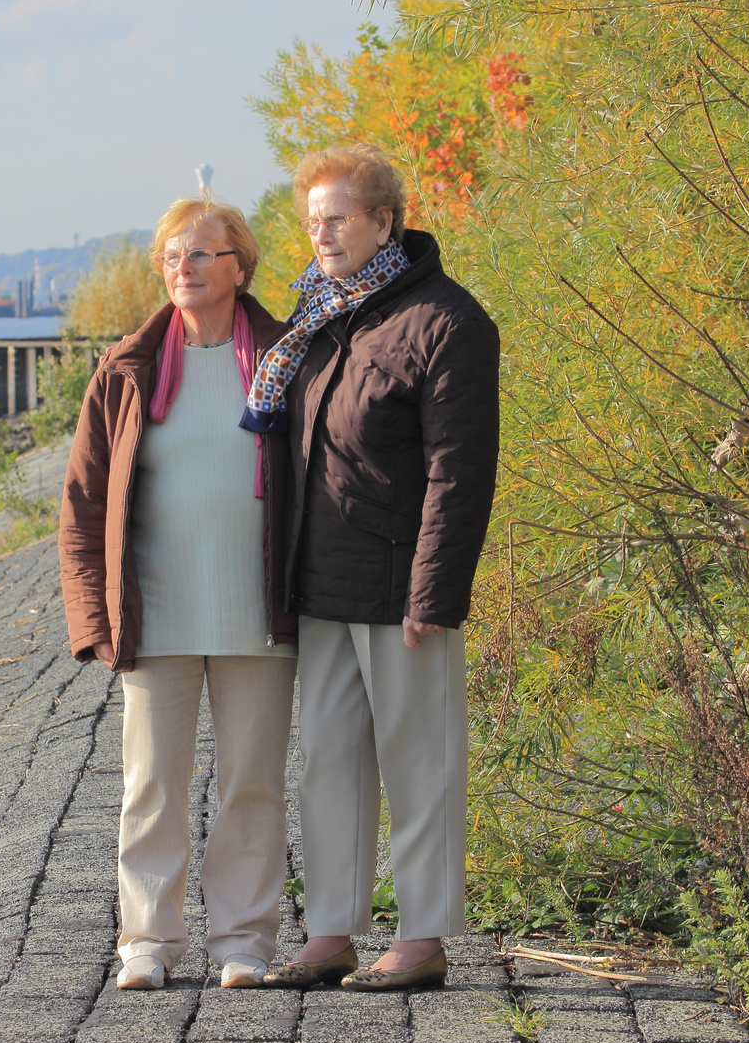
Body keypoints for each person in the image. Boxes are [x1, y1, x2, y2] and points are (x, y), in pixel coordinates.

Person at [246, 144, 500, 991]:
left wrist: (435, 594)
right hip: (322, 586)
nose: (321, 234)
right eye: (312, 219)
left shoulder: (447, 322)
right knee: (328, 764)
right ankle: (330, 934)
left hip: (402, 594)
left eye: (338, 217)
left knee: (419, 761)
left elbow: (459, 472)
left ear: (384, 220)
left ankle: (422, 939)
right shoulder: (320, 318)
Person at [59, 197, 298, 991]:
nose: (182, 269)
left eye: (199, 254)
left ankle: (242, 941)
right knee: (152, 782)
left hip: (258, 610)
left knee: (253, 783)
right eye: (170, 256)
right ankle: (148, 941)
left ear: (240, 267)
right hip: (153, 611)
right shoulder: (125, 369)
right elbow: (84, 505)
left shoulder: (287, 358)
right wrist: (93, 618)